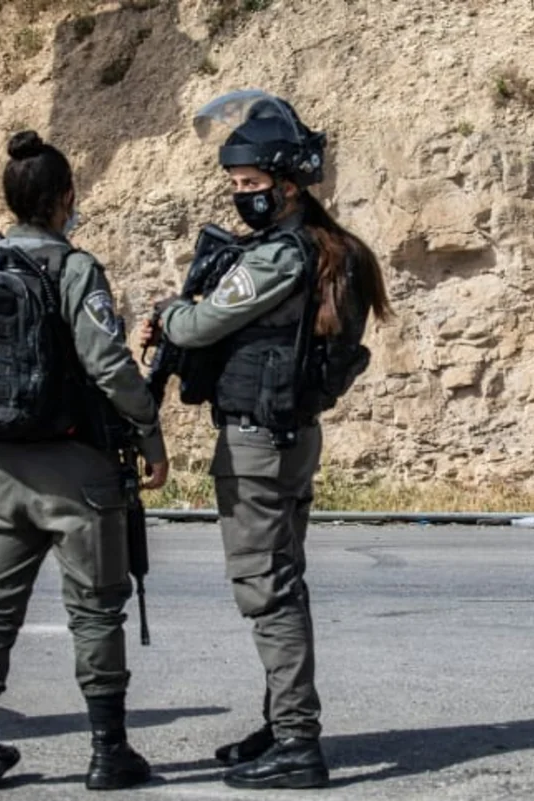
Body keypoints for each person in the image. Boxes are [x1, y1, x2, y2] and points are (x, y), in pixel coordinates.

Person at [141, 91, 391, 790]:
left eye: (249, 186)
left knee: (267, 588)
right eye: (235, 186)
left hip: (258, 441)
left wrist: (172, 311)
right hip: (289, 435)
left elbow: (199, 326)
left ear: (287, 186)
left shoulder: (283, 255)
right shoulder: (330, 250)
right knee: (281, 580)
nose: (239, 196)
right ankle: (279, 721)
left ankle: (297, 742)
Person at [0, 131, 168, 791]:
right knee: (96, 610)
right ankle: (108, 752)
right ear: (65, 199)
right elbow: (109, 364)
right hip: (77, 469)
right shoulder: (75, 271)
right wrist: (149, 431)